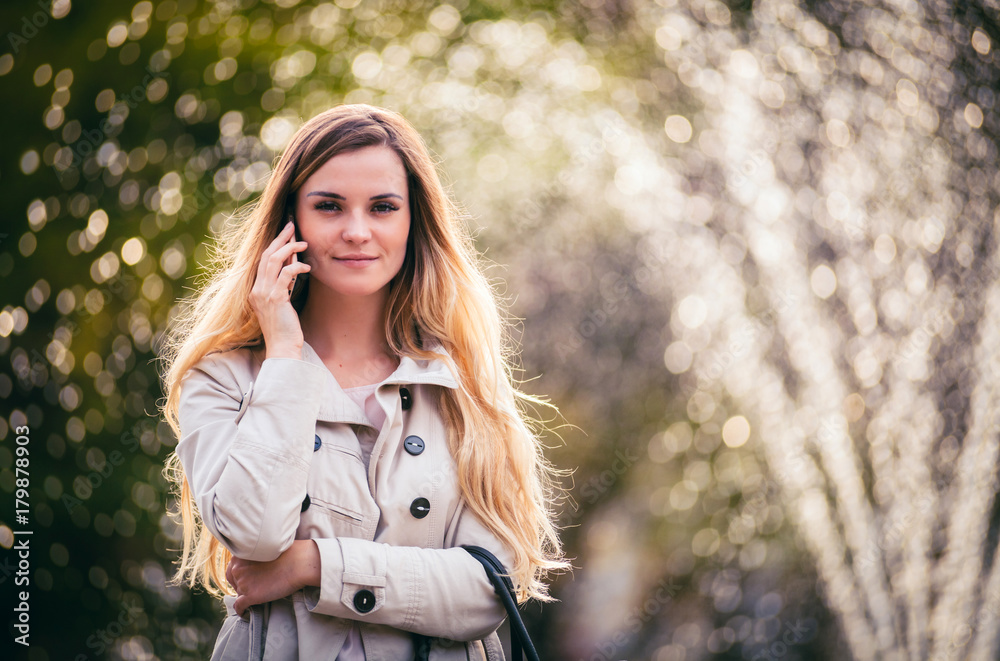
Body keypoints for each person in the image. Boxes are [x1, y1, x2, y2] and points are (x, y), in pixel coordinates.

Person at [159, 104, 567, 660]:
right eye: (329, 206)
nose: (356, 231)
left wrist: (315, 567)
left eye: (382, 207)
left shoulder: (461, 383)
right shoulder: (224, 376)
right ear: (290, 222)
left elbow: (487, 590)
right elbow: (253, 536)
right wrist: (284, 356)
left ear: (411, 221)